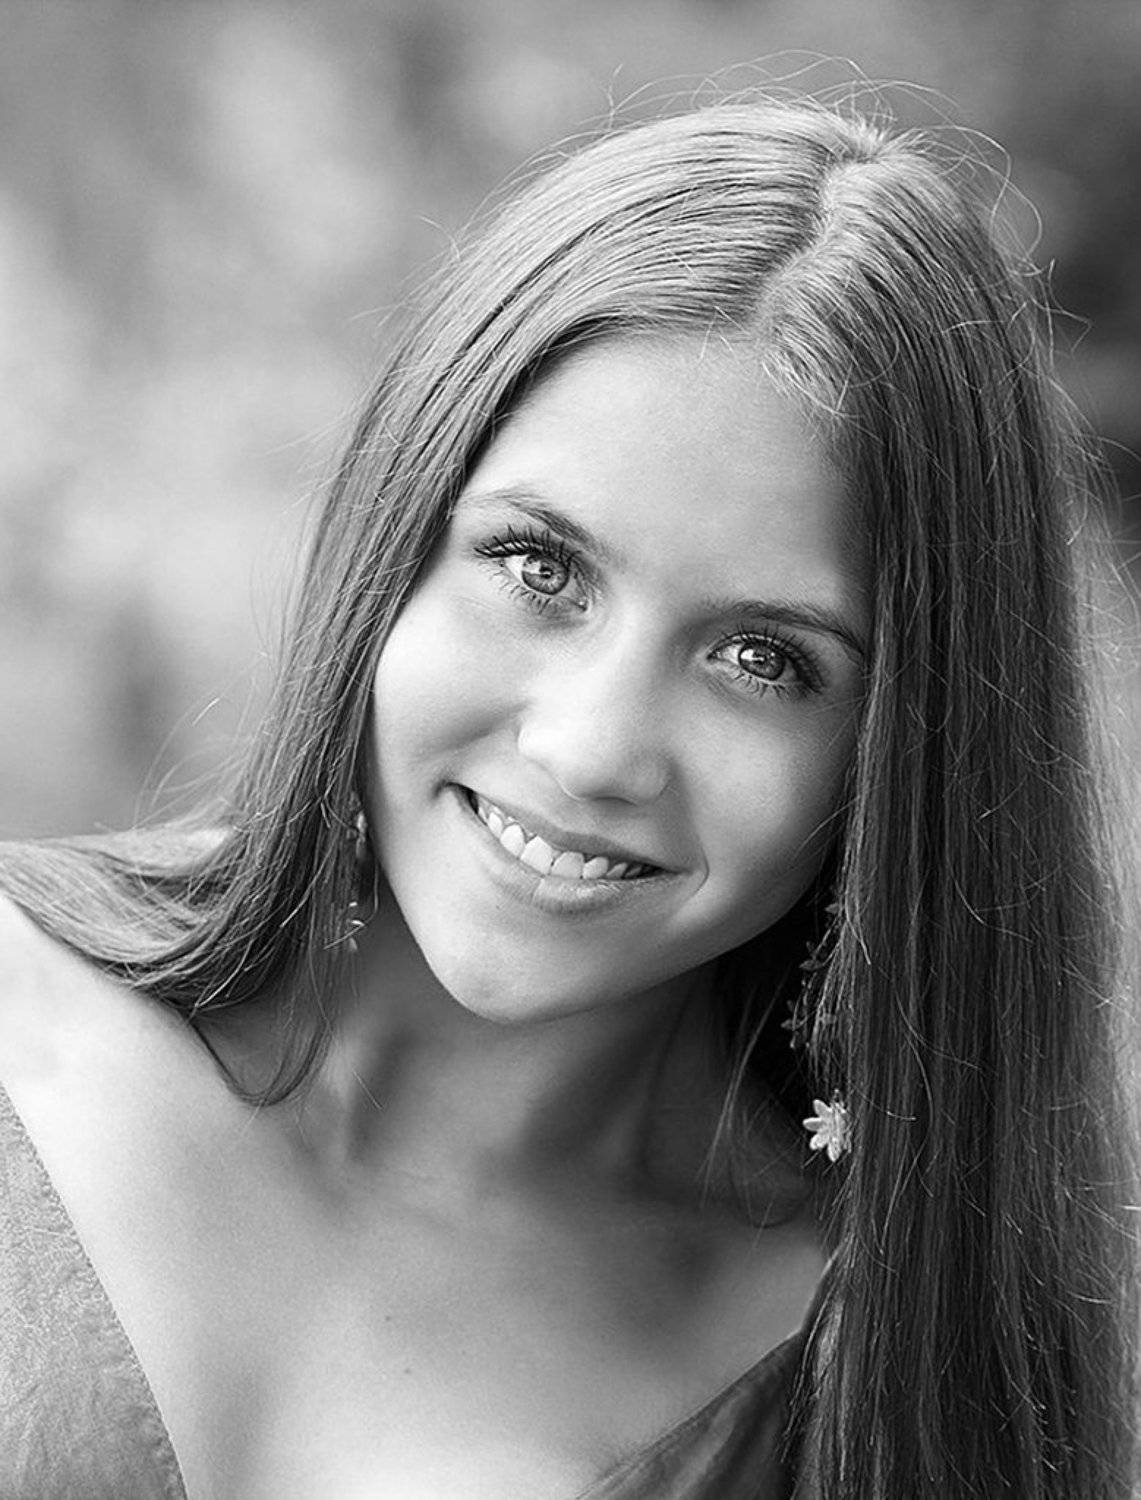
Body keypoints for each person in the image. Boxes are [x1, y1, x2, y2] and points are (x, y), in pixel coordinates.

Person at [0, 92, 1136, 1500]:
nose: (594, 748)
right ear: (396, 529)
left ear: (903, 753)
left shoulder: (889, 1375)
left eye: (762, 659)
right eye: (540, 569)